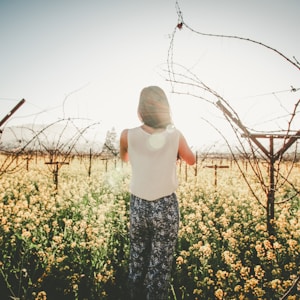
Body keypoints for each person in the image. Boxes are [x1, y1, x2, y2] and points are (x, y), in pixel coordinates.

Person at [120, 86, 195, 300]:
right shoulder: (175, 134)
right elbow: (191, 159)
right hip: (166, 206)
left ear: (140, 109)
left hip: (138, 205)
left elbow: (125, 159)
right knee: (159, 267)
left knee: (137, 260)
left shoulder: (127, 135)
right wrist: (175, 153)